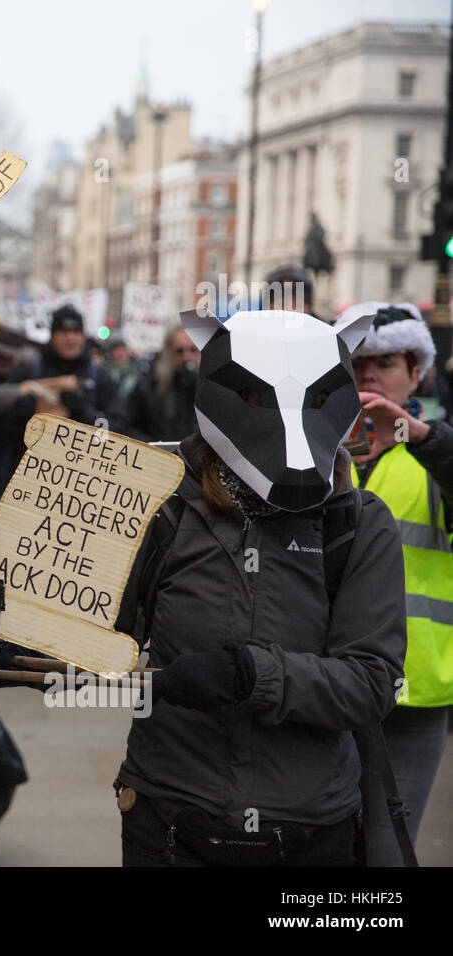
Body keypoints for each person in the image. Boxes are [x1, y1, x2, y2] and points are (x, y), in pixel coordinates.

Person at [114, 307, 407, 867]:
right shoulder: (165, 506)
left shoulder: (359, 524)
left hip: (308, 830)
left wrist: (254, 674)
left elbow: (372, 683)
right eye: (256, 398)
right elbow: (90, 635)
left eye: (316, 399)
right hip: (171, 819)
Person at [336, 301, 453, 865]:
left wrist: (418, 435)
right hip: (327, 685)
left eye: (384, 362)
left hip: (414, 691)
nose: (368, 375)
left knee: (384, 857)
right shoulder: (321, 448)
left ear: (417, 370)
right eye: (358, 363)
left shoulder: (434, 451)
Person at [0, 304, 127, 555]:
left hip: (81, 492)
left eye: (76, 331)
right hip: (29, 489)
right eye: (63, 332)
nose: (71, 338)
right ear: (53, 336)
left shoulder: (100, 378)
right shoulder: (30, 372)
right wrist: (21, 412)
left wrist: (84, 414)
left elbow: (116, 432)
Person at [126, 323, 200, 442]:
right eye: (180, 351)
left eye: (192, 350)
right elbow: (130, 425)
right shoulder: (148, 386)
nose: (187, 357)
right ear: (169, 352)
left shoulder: (205, 388)